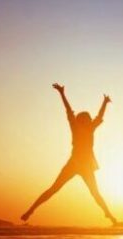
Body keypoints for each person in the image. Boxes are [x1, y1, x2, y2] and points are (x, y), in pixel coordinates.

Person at [21, 83, 117, 225]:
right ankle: (31, 210)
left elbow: (99, 115)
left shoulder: (90, 128)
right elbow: (68, 110)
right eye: (85, 119)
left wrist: (104, 103)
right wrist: (62, 93)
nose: (88, 120)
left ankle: (109, 215)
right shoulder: (76, 127)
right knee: (54, 188)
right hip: (74, 163)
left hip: (85, 165)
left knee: (95, 193)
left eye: (88, 119)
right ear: (81, 120)